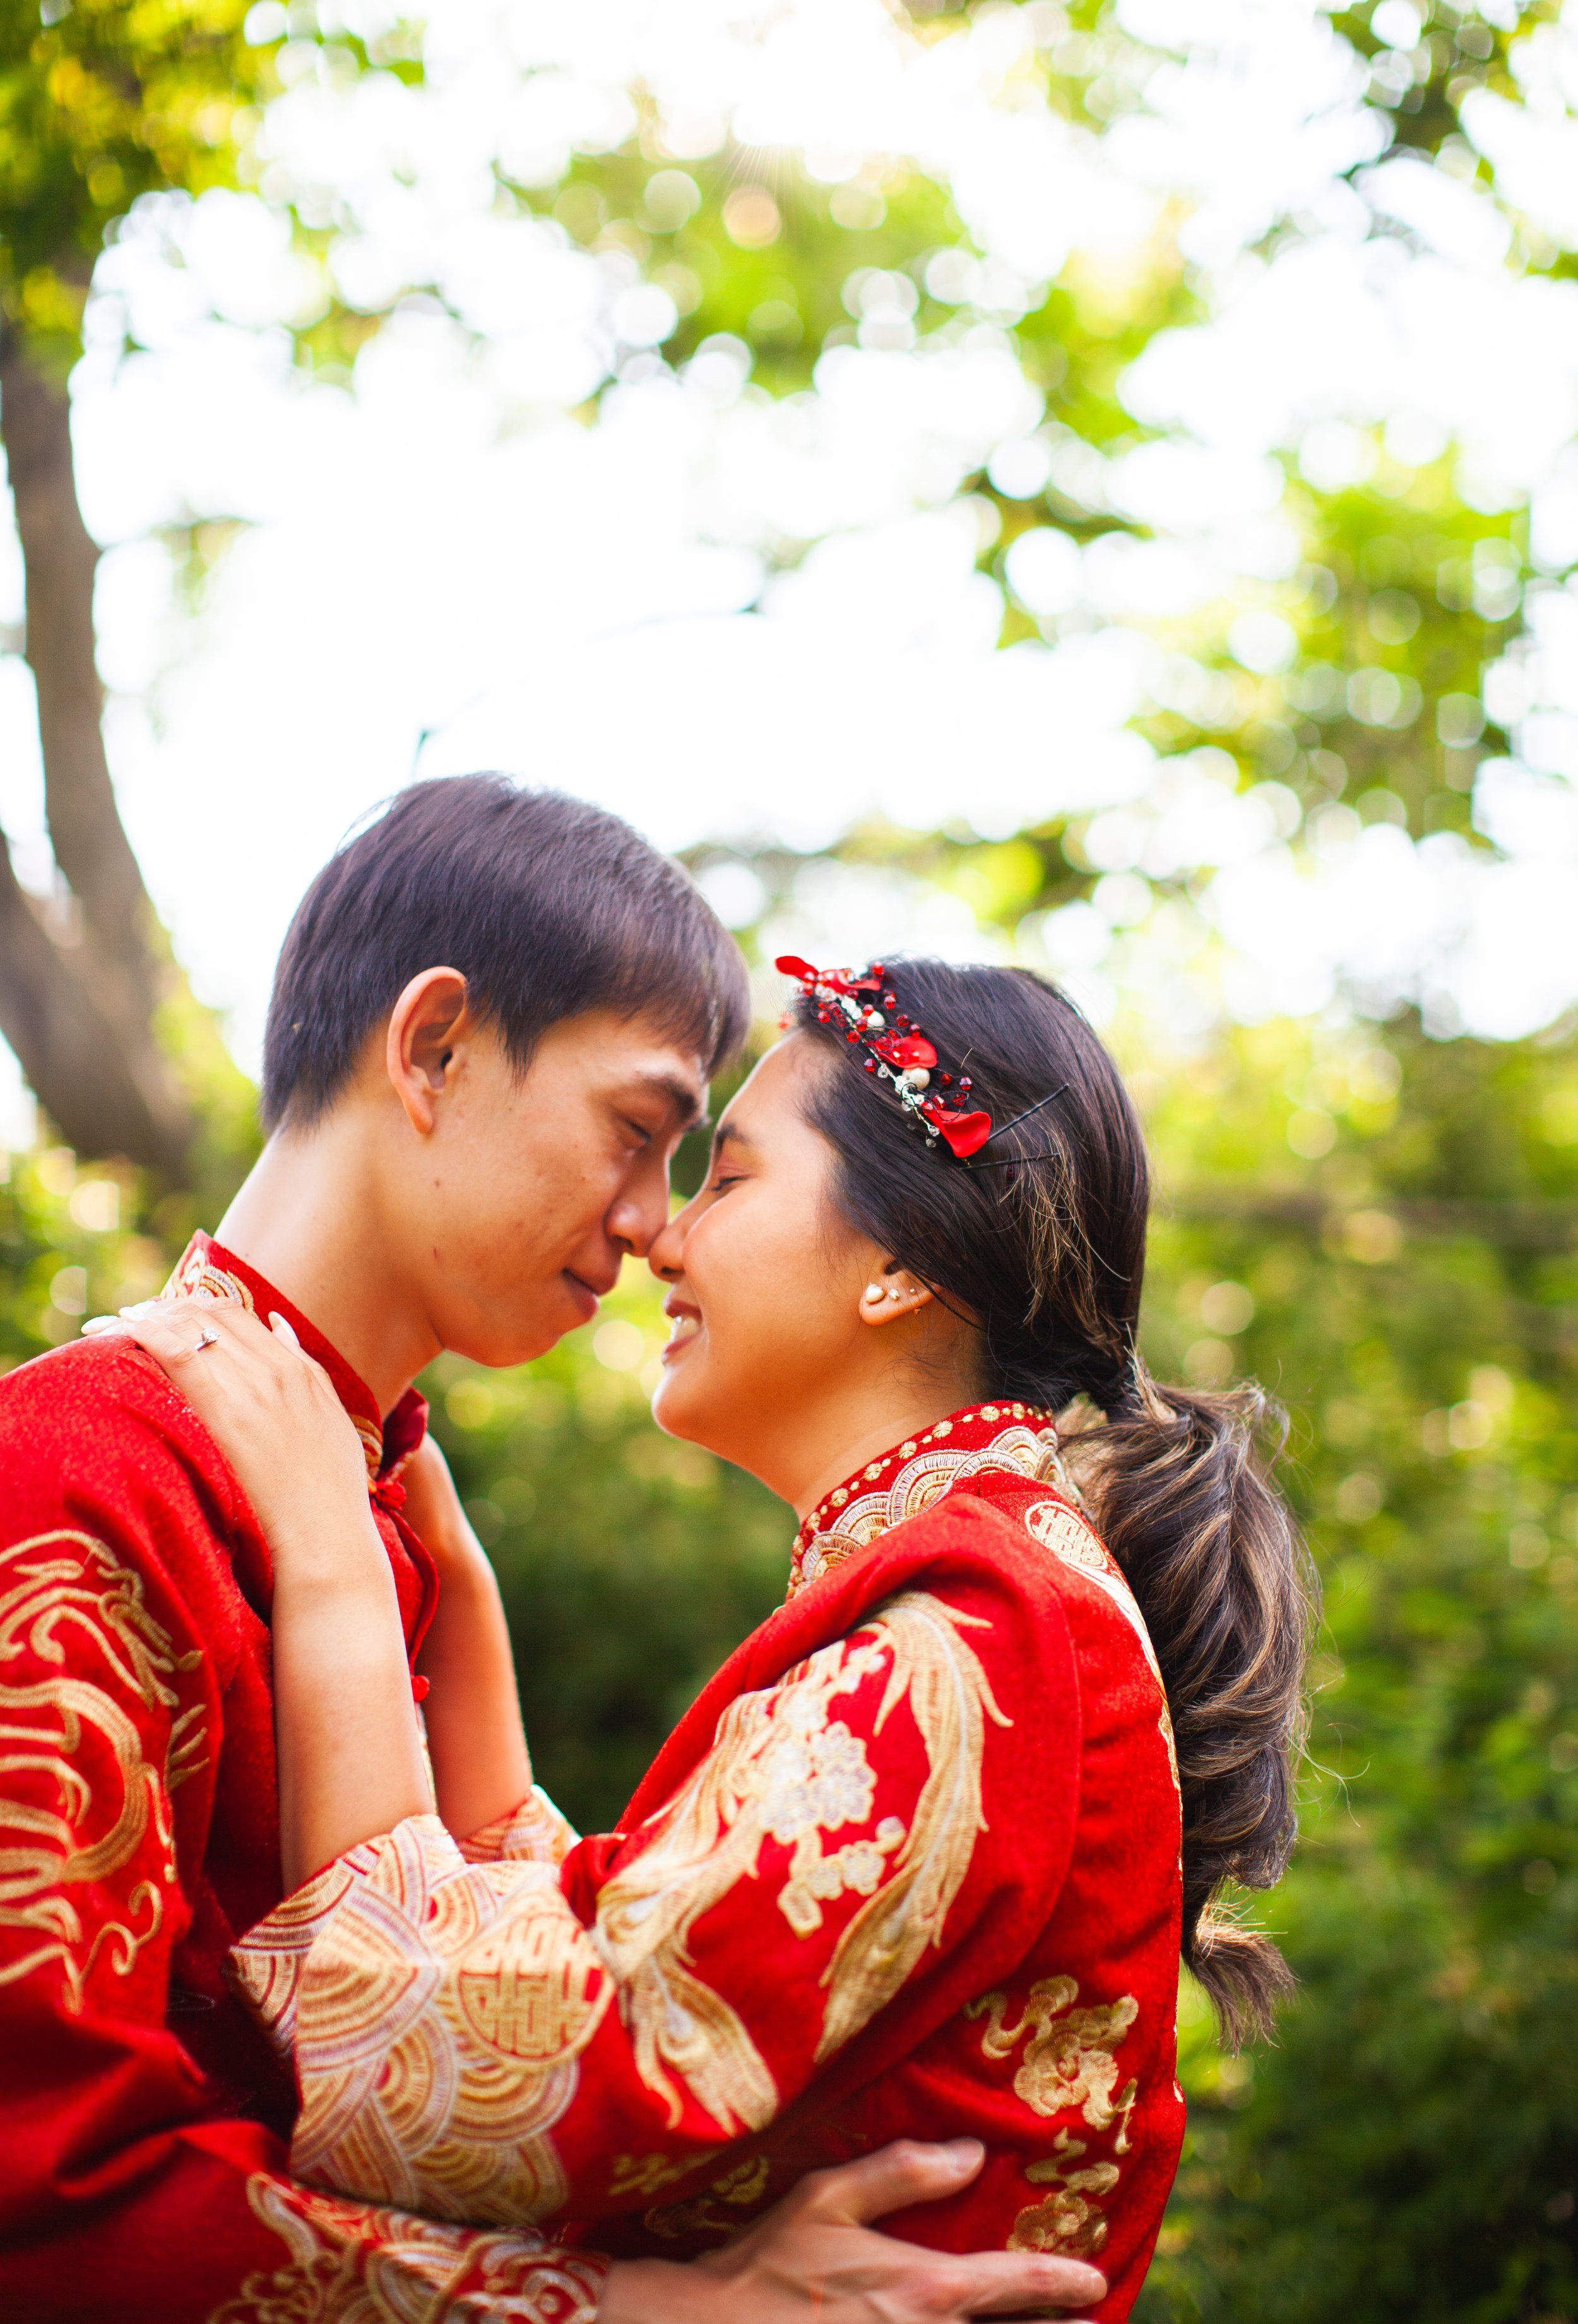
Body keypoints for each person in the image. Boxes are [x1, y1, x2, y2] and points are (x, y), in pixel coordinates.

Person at [0, 778, 1106, 2324]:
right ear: (434, 1048)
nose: (656, 1226)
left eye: (705, 1168)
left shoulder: (386, 1530)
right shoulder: (77, 1465)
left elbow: (517, 2013)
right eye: (643, 1133)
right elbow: (47, 2205)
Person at [114, 946, 1312, 2323]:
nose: (661, 1238)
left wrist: (333, 1571)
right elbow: (652, 1972)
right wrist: (462, 1603)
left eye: (727, 1178)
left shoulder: (976, 1640)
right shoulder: (999, 1597)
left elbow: (450, 2072)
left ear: (898, 1265)